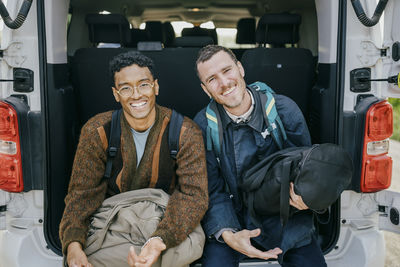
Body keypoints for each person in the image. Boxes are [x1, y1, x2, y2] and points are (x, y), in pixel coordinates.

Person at [59, 51, 208, 267]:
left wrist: (159, 240)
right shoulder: (97, 130)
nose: (136, 94)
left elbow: (194, 196)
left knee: (184, 249)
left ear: (156, 87)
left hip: (167, 223)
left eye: (144, 85)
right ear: (115, 93)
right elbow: (81, 195)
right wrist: (73, 245)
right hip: (114, 225)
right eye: (126, 88)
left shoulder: (186, 132)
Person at [193, 45, 327, 267]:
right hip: (232, 221)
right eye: (212, 79)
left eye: (227, 71)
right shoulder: (203, 126)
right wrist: (227, 233)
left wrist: (306, 198)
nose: (224, 83)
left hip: (286, 221)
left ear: (240, 69)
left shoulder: (285, 111)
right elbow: (212, 189)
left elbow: (306, 171)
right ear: (206, 90)